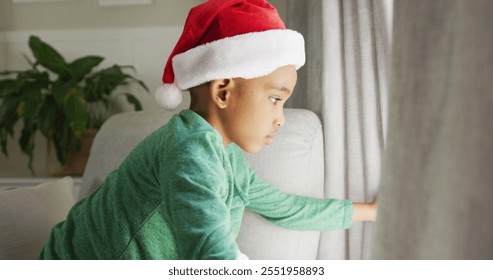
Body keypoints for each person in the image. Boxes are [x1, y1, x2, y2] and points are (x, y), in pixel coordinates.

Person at [38, 0, 377, 260]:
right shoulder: (188, 149)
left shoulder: (226, 158)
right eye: (275, 99)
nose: (281, 118)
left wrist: (372, 211)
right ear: (223, 91)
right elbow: (207, 247)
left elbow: (287, 207)